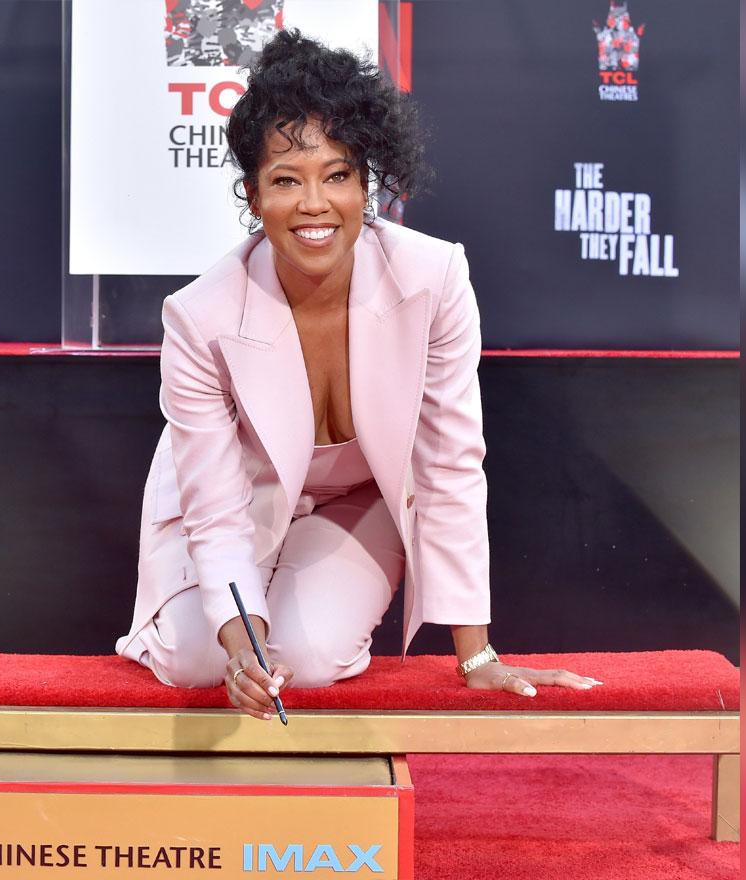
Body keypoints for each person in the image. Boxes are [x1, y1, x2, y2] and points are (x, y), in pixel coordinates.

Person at [116, 29, 601, 720]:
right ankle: (179, 626)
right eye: (286, 180)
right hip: (236, 488)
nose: (315, 204)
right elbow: (217, 508)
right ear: (253, 198)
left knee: (307, 666)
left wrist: (477, 656)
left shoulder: (433, 278)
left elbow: (447, 462)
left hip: (358, 500)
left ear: (365, 183)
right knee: (204, 665)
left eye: (337, 175)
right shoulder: (198, 316)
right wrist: (243, 646)